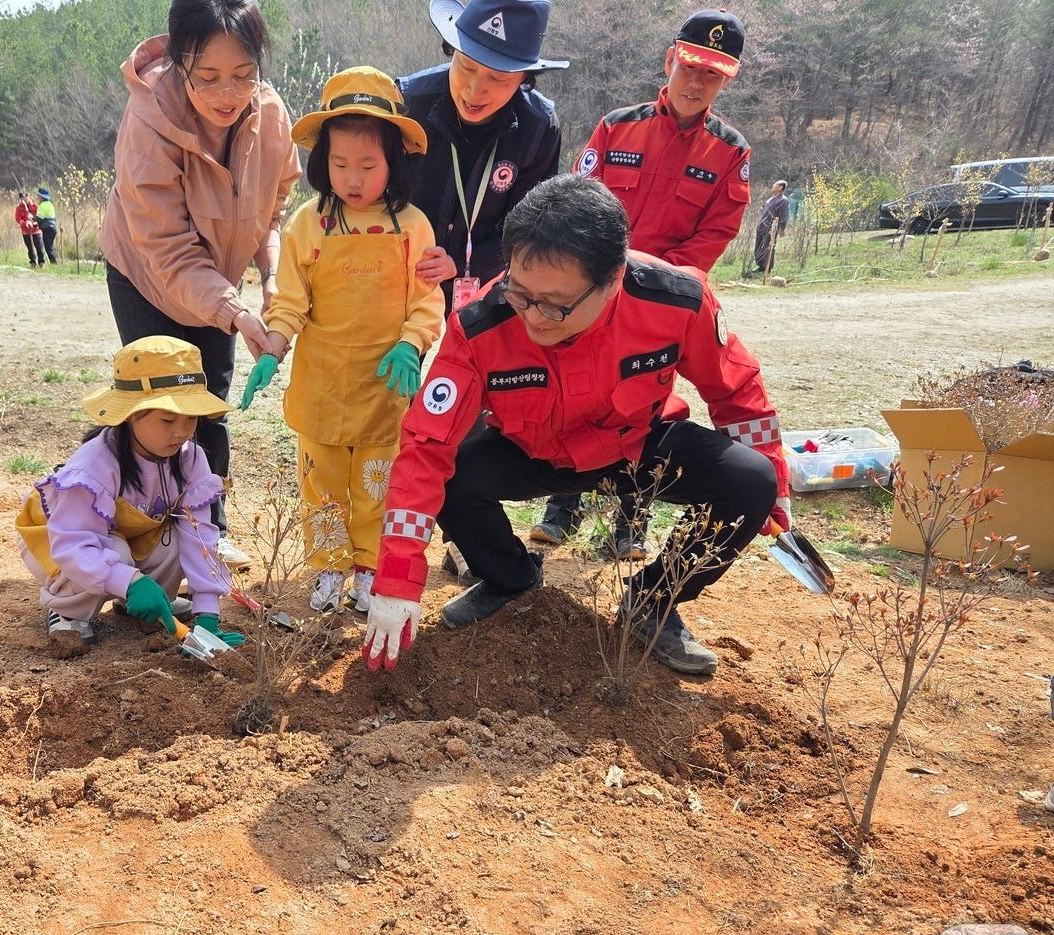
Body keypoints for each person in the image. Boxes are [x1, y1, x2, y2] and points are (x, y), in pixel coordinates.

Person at [362, 175, 790, 677]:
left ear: (613, 279)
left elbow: (735, 391)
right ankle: (510, 580)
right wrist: (397, 576)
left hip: (636, 448)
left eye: (556, 305)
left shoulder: (677, 299)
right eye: (521, 294)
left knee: (751, 480)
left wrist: (777, 484)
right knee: (450, 471)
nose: (534, 318)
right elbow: (425, 445)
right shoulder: (481, 324)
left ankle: (652, 603)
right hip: (533, 452)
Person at [535, 8, 752, 554]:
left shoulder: (730, 153)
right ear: (670, 60)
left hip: (660, 300)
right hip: (592, 291)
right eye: (690, 67)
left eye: (713, 74)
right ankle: (564, 505)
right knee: (575, 391)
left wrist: (657, 281)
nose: (697, 82)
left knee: (644, 400)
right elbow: (581, 203)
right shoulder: (616, 126)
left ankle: (631, 518)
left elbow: (715, 234)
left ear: (725, 80)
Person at [98, 0, 301, 572]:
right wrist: (235, 312)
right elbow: (167, 250)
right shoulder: (148, 124)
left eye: (243, 76)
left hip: (221, 279)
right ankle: (120, 526)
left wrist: (273, 275)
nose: (227, 95)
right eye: (207, 77)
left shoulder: (270, 114)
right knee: (156, 401)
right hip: (147, 274)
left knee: (207, 401)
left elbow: (275, 207)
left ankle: (207, 529)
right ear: (179, 61)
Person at [239, 68, 444, 613]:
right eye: (340, 164)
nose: (352, 178)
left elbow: (426, 301)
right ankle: (327, 568)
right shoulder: (308, 224)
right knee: (323, 488)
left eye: (368, 166)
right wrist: (274, 346)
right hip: (323, 385)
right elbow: (290, 299)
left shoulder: (414, 227)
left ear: (393, 163)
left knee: (377, 486)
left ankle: (367, 569)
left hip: (384, 388)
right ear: (321, 163)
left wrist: (411, 343)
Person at [398, 0, 568, 586]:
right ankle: (378, 526)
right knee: (389, 403)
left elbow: (535, 224)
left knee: (465, 413)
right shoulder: (406, 104)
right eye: (467, 66)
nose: (476, 88)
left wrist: (475, 260)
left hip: (487, 288)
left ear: (526, 75)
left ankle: (464, 536)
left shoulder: (539, 126)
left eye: (498, 77)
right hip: (404, 286)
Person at [16, 336, 247, 658]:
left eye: (190, 419)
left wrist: (207, 611)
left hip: (127, 532)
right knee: (115, 548)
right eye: (168, 420)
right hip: (58, 538)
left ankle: (144, 603)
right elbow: (73, 543)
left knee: (176, 536)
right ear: (130, 415)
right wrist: (130, 579)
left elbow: (200, 536)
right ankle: (68, 610)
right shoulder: (94, 465)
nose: (181, 432)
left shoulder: (191, 458)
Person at [747, 179, 789, 275]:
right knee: (758, 246)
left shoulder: (783, 200)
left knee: (768, 247)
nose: (773, 186)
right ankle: (760, 266)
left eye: (775, 185)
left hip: (771, 228)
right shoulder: (770, 199)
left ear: (780, 187)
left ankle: (767, 267)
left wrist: (782, 228)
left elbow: (784, 215)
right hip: (762, 226)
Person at [14, 191, 45, 267]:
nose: (24, 199)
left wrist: (35, 222)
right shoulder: (18, 208)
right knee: (30, 248)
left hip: (36, 231)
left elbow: (39, 217)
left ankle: (41, 262)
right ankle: (33, 262)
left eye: (25, 197)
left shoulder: (35, 206)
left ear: (28, 197)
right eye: (22, 198)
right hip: (26, 231)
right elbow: (18, 218)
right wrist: (25, 223)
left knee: (39, 247)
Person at [35, 185, 60, 263]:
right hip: (53, 228)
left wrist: (31, 218)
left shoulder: (42, 206)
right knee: (50, 247)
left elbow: (39, 218)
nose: (37, 197)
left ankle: (54, 263)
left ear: (41, 197)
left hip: (47, 229)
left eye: (38, 196)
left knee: (48, 248)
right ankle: (54, 263)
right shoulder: (50, 204)